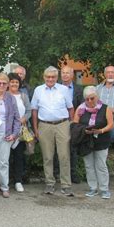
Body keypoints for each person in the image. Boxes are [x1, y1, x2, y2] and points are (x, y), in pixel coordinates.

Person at [31, 66, 74, 196]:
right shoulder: (38, 90)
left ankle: (66, 185)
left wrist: (71, 125)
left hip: (62, 124)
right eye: (48, 77)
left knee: (64, 156)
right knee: (48, 156)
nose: (50, 79)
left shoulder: (64, 90)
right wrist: (36, 128)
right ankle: (49, 183)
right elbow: (34, 110)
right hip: (44, 125)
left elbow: (71, 108)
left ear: (57, 78)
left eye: (53, 77)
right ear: (44, 77)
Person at [73, 86, 114, 199]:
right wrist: (83, 130)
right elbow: (75, 124)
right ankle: (93, 188)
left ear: (97, 97)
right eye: (87, 99)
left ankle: (104, 189)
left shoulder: (105, 108)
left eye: (92, 98)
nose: (90, 101)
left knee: (101, 165)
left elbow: (111, 124)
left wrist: (101, 130)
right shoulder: (80, 109)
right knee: (89, 165)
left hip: (101, 140)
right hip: (86, 140)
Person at [57, 65, 84, 183]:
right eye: (63, 73)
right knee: (57, 149)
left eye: (67, 73)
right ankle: (57, 174)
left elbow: (82, 106)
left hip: (73, 122)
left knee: (72, 149)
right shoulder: (56, 87)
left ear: (72, 75)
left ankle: (73, 174)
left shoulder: (79, 89)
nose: (65, 75)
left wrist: (75, 121)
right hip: (58, 122)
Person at [7, 73, 31, 192]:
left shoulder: (23, 96)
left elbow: (29, 110)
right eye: (12, 82)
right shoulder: (5, 96)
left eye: (16, 82)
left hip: (20, 131)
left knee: (19, 156)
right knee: (5, 157)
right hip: (7, 131)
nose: (14, 84)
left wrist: (24, 119)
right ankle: (4, 181)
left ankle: (18, 181)